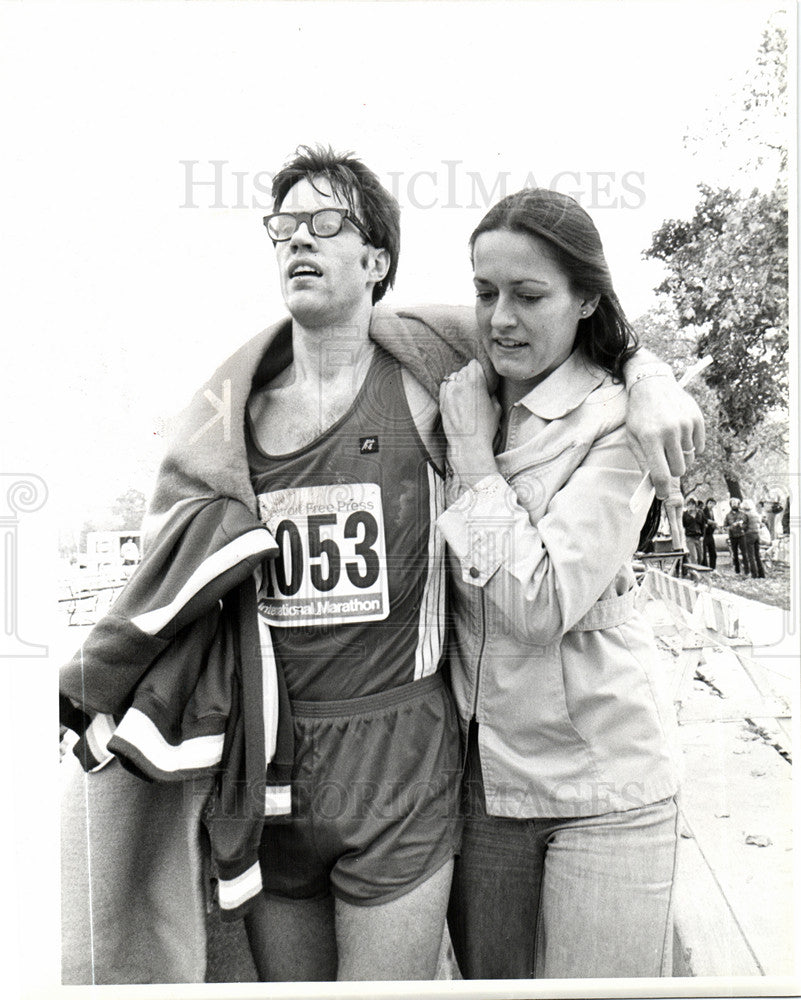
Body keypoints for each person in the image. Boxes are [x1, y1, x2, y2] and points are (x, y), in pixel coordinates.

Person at [59, 148, 703, 985]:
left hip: (409, 757)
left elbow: (581, 334)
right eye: (283, 225)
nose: (299, 238)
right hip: (276, 765)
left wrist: (648, 375)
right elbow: (169, 577)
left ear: (377, 261)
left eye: (326, 222)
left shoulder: (436, 377)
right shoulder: (226, 419)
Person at [437, 188, 681, 979]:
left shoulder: (614, 423)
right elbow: (341, 315)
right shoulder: (457, 370)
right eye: (483, 291)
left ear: (585, 300)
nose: (499, 317)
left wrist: (472, 454)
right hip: (485, 786)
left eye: (529, 295)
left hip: (605, 783)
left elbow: (536, 604)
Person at [741, 498, 766, 578]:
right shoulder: (756, 514)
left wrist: (740, 526)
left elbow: (744, 526)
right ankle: (761, 573)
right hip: (756, 534)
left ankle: (754, 574)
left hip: (749, 535)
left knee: (751, 556)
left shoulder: (746, 515)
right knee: (757, 555)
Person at [723, 497, 748, 574]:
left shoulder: (743, 514)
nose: (734, 505)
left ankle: (747, 570)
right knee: (735, 554)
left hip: (741, 535)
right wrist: (731, 527)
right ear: (730, 505)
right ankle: (737, 571)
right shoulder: (727, 516)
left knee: (744, 553)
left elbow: (746, 525)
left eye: (736, 503)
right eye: (732, 503)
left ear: (738, 504)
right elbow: (725, 526)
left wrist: (741, 526)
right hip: (732, 536)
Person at [682, 496, 705, 564]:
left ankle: (697, 570)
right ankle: (694, 572)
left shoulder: (700, 513)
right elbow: (683, 525)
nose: (691, 506)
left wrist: (702, 536)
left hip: (698, 537)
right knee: (694, 557)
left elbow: (703, 525)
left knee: (700, 557)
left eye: (692, 504)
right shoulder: (685, 514)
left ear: (695, 505)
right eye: (689, 504)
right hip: (690, 537)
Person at [701, 498, 718, 570]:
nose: (711, 505)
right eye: (710, 503)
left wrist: (714, 526)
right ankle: (704, 567)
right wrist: (712, 523)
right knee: (704, 552)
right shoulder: (703, 511)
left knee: (713, 552)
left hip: (710, 533)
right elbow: (705, 520)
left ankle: (712, 567)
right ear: (707, 503)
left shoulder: (712, 512)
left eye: (713, 504)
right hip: (705, 533)